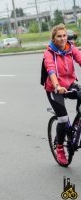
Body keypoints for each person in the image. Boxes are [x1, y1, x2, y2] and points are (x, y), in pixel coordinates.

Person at [43, 23, 81, 165]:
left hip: (70, 84)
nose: (63, 38)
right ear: (54, 39)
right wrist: (57, 85)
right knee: (63, 119)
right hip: (54, 89)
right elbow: (51, 70)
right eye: (59, 36)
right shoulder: (49, 53)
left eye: (64, 35)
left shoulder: (71, 49)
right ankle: (59, 148)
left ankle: (76, 126)